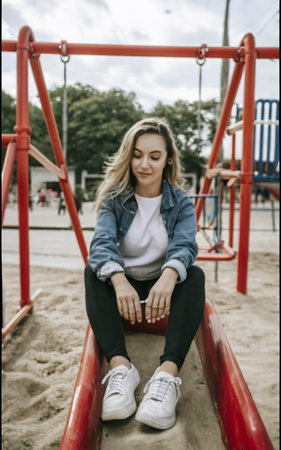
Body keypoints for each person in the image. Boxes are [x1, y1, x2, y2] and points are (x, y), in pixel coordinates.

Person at [85, 117, 205, 430]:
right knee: (92, 271)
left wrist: (168, 276)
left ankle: (166, 375)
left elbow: (185, 245)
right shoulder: (115, 199)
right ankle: (121, 368)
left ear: (168, 160)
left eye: (154, 156)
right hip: (123, 289)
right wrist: (118, 278)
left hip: (161, 289)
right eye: (137, 155)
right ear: (129, 155)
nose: (144, 164)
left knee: (194, 276)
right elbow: (100, 245)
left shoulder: (180, 202)